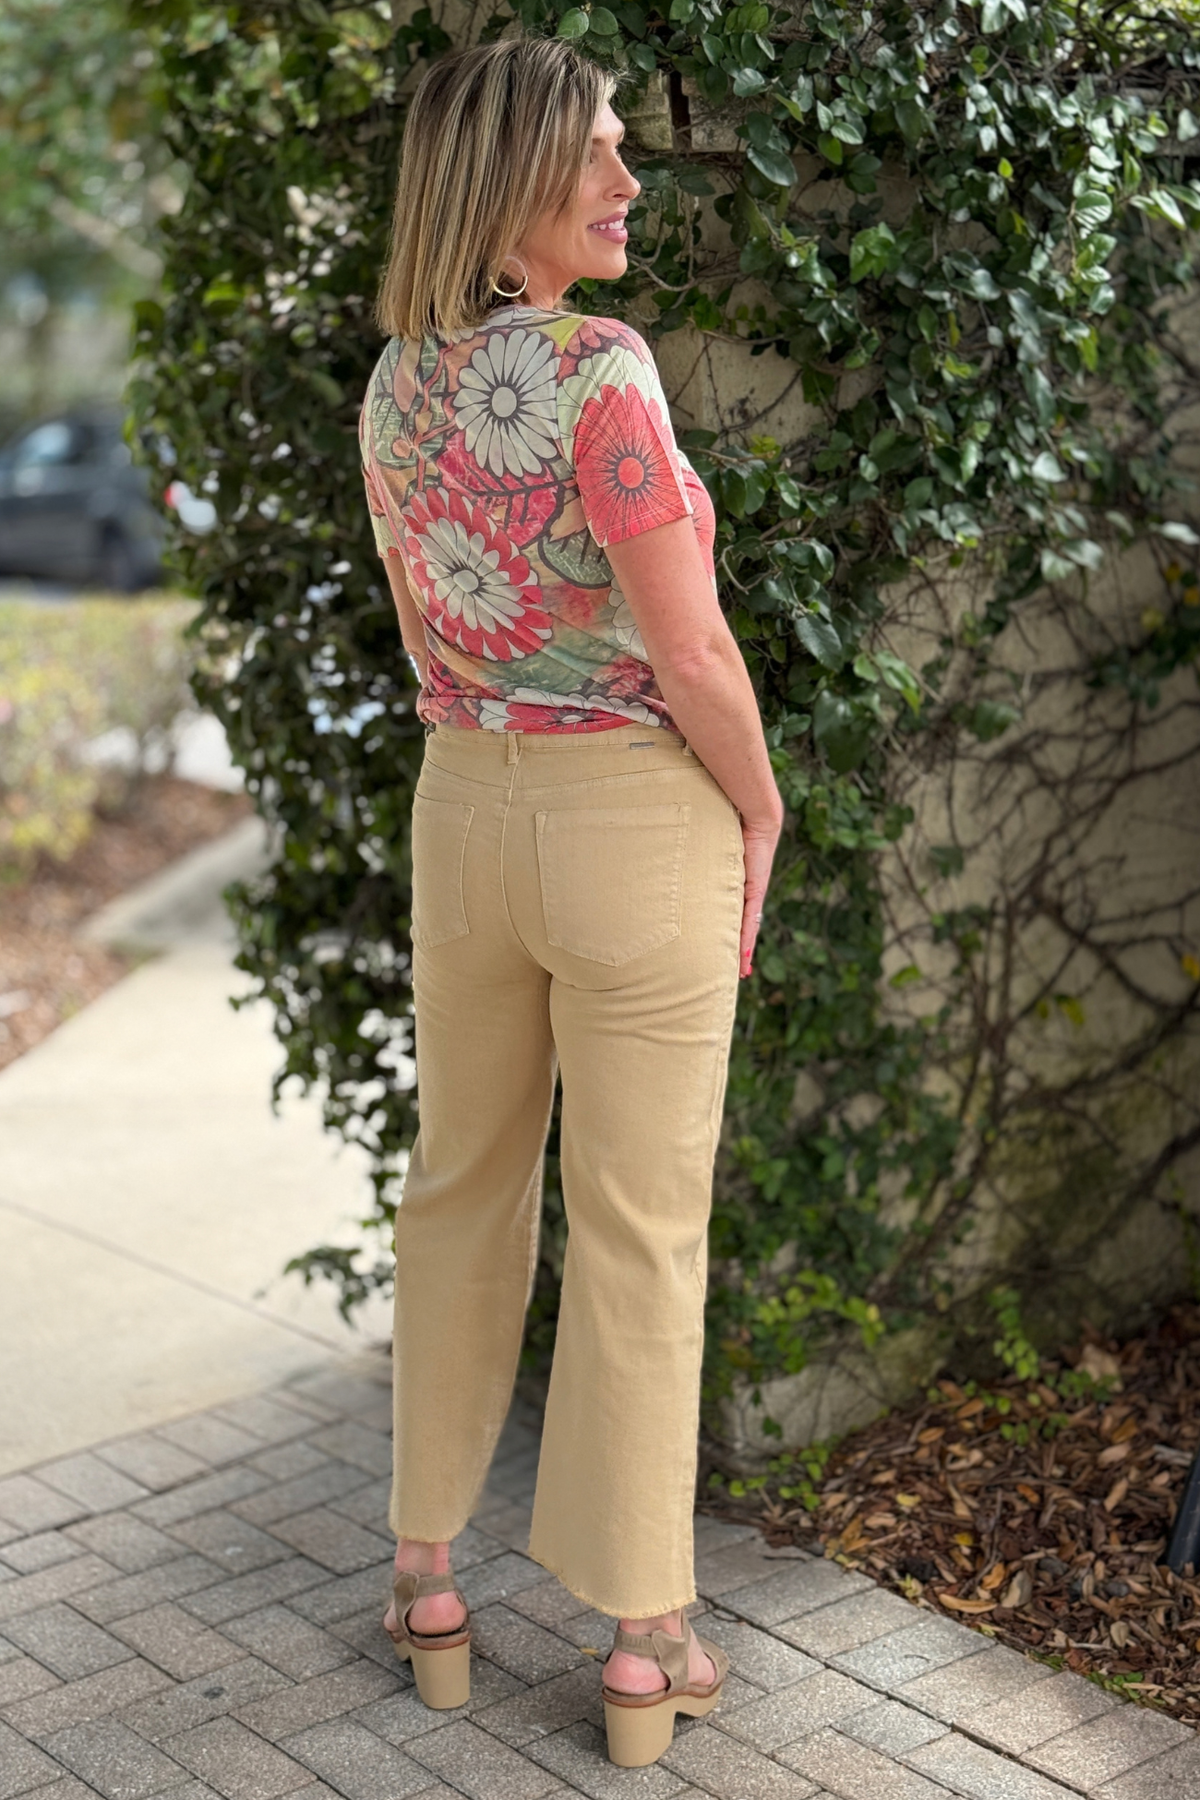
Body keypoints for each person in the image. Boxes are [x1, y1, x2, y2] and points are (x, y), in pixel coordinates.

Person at [357, 35, 783, 1768]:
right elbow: (686, 644)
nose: (626, 180)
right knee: (636, 1219)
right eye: (597, 155)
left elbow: (419, 632)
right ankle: (642, 1640)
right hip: (629, 822)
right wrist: (757, 808)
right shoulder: (600, 372)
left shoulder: (394, 384)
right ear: (512, 183)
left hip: (467, 811)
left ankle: (430, 1581)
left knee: (459, 1187)